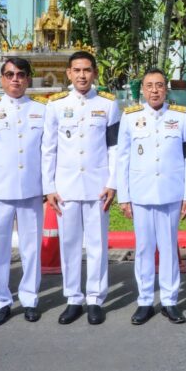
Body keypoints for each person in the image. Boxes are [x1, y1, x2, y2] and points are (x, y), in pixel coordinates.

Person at [43, 50, 122, 326]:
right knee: (69, 244)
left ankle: (95, 299)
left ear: (95, 73)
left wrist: (112, 183)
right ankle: (73, 298)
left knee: (97, 244)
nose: (82, 75)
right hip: (65, 187)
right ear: (68, 73)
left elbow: (114, 147)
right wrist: (49, 187)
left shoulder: (108, 104)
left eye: (87, 70)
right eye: (76, 70)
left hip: (97, 186)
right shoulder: (56, 105)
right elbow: (49, 149)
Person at [0, 57, 48, 326]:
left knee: (31, 249)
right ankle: (2, 301)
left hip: (31, 190)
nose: (15, 79)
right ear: (2, 79)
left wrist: (48, 187)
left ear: (28, 78)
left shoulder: (41, 109)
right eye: (10, 74)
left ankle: (30, 299)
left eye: (21, 74)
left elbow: (47, 152)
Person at [115, 68, 186, 325]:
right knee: (144, 249)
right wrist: (124, 196)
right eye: (149, 86)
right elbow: (122, 158)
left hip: (171, 192)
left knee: (169, 248)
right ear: (143, 90)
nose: (155, 90)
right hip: (141, 193)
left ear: (166, 89)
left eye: (159, 85)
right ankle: (145, 301)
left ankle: (170, 301)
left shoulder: (181, 116)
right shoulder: (130, 117)